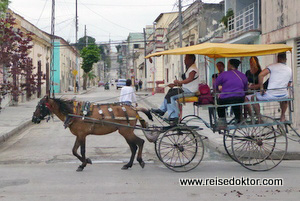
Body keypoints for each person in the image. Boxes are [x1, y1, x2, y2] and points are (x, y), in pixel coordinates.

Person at [151, 54, 199, 123]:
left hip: (190, 91)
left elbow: (189, 79)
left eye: (186, 59)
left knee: (171, 96)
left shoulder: (193, 69)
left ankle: (174, 116)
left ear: (191, 60)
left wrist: (179, 82)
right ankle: (162, 110)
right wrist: (174, 85)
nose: (184, 60)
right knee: (170, 91)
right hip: (186, 89)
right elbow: (186, 82)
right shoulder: (190, 68)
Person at [252, 52, 292, 122]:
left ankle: (259, 118)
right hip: (283, 94)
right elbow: (289, 85)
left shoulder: (272, 66)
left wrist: (261, 89)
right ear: (286, 59)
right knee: (285, 98)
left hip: (271, 94)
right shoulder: (289, 69)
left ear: (277, 58)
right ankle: (282, 116)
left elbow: (260, 75)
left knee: (253, 98)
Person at [214, 59, 248, 124]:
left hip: (225, 98)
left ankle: (222, 121)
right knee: (237, 104)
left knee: (220, 106)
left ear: (229, 65)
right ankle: (238, 119)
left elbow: (215, 84)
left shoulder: (224, 74)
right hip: (239, 98)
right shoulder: (242, 75)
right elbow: (246, 88)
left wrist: (217, 90)